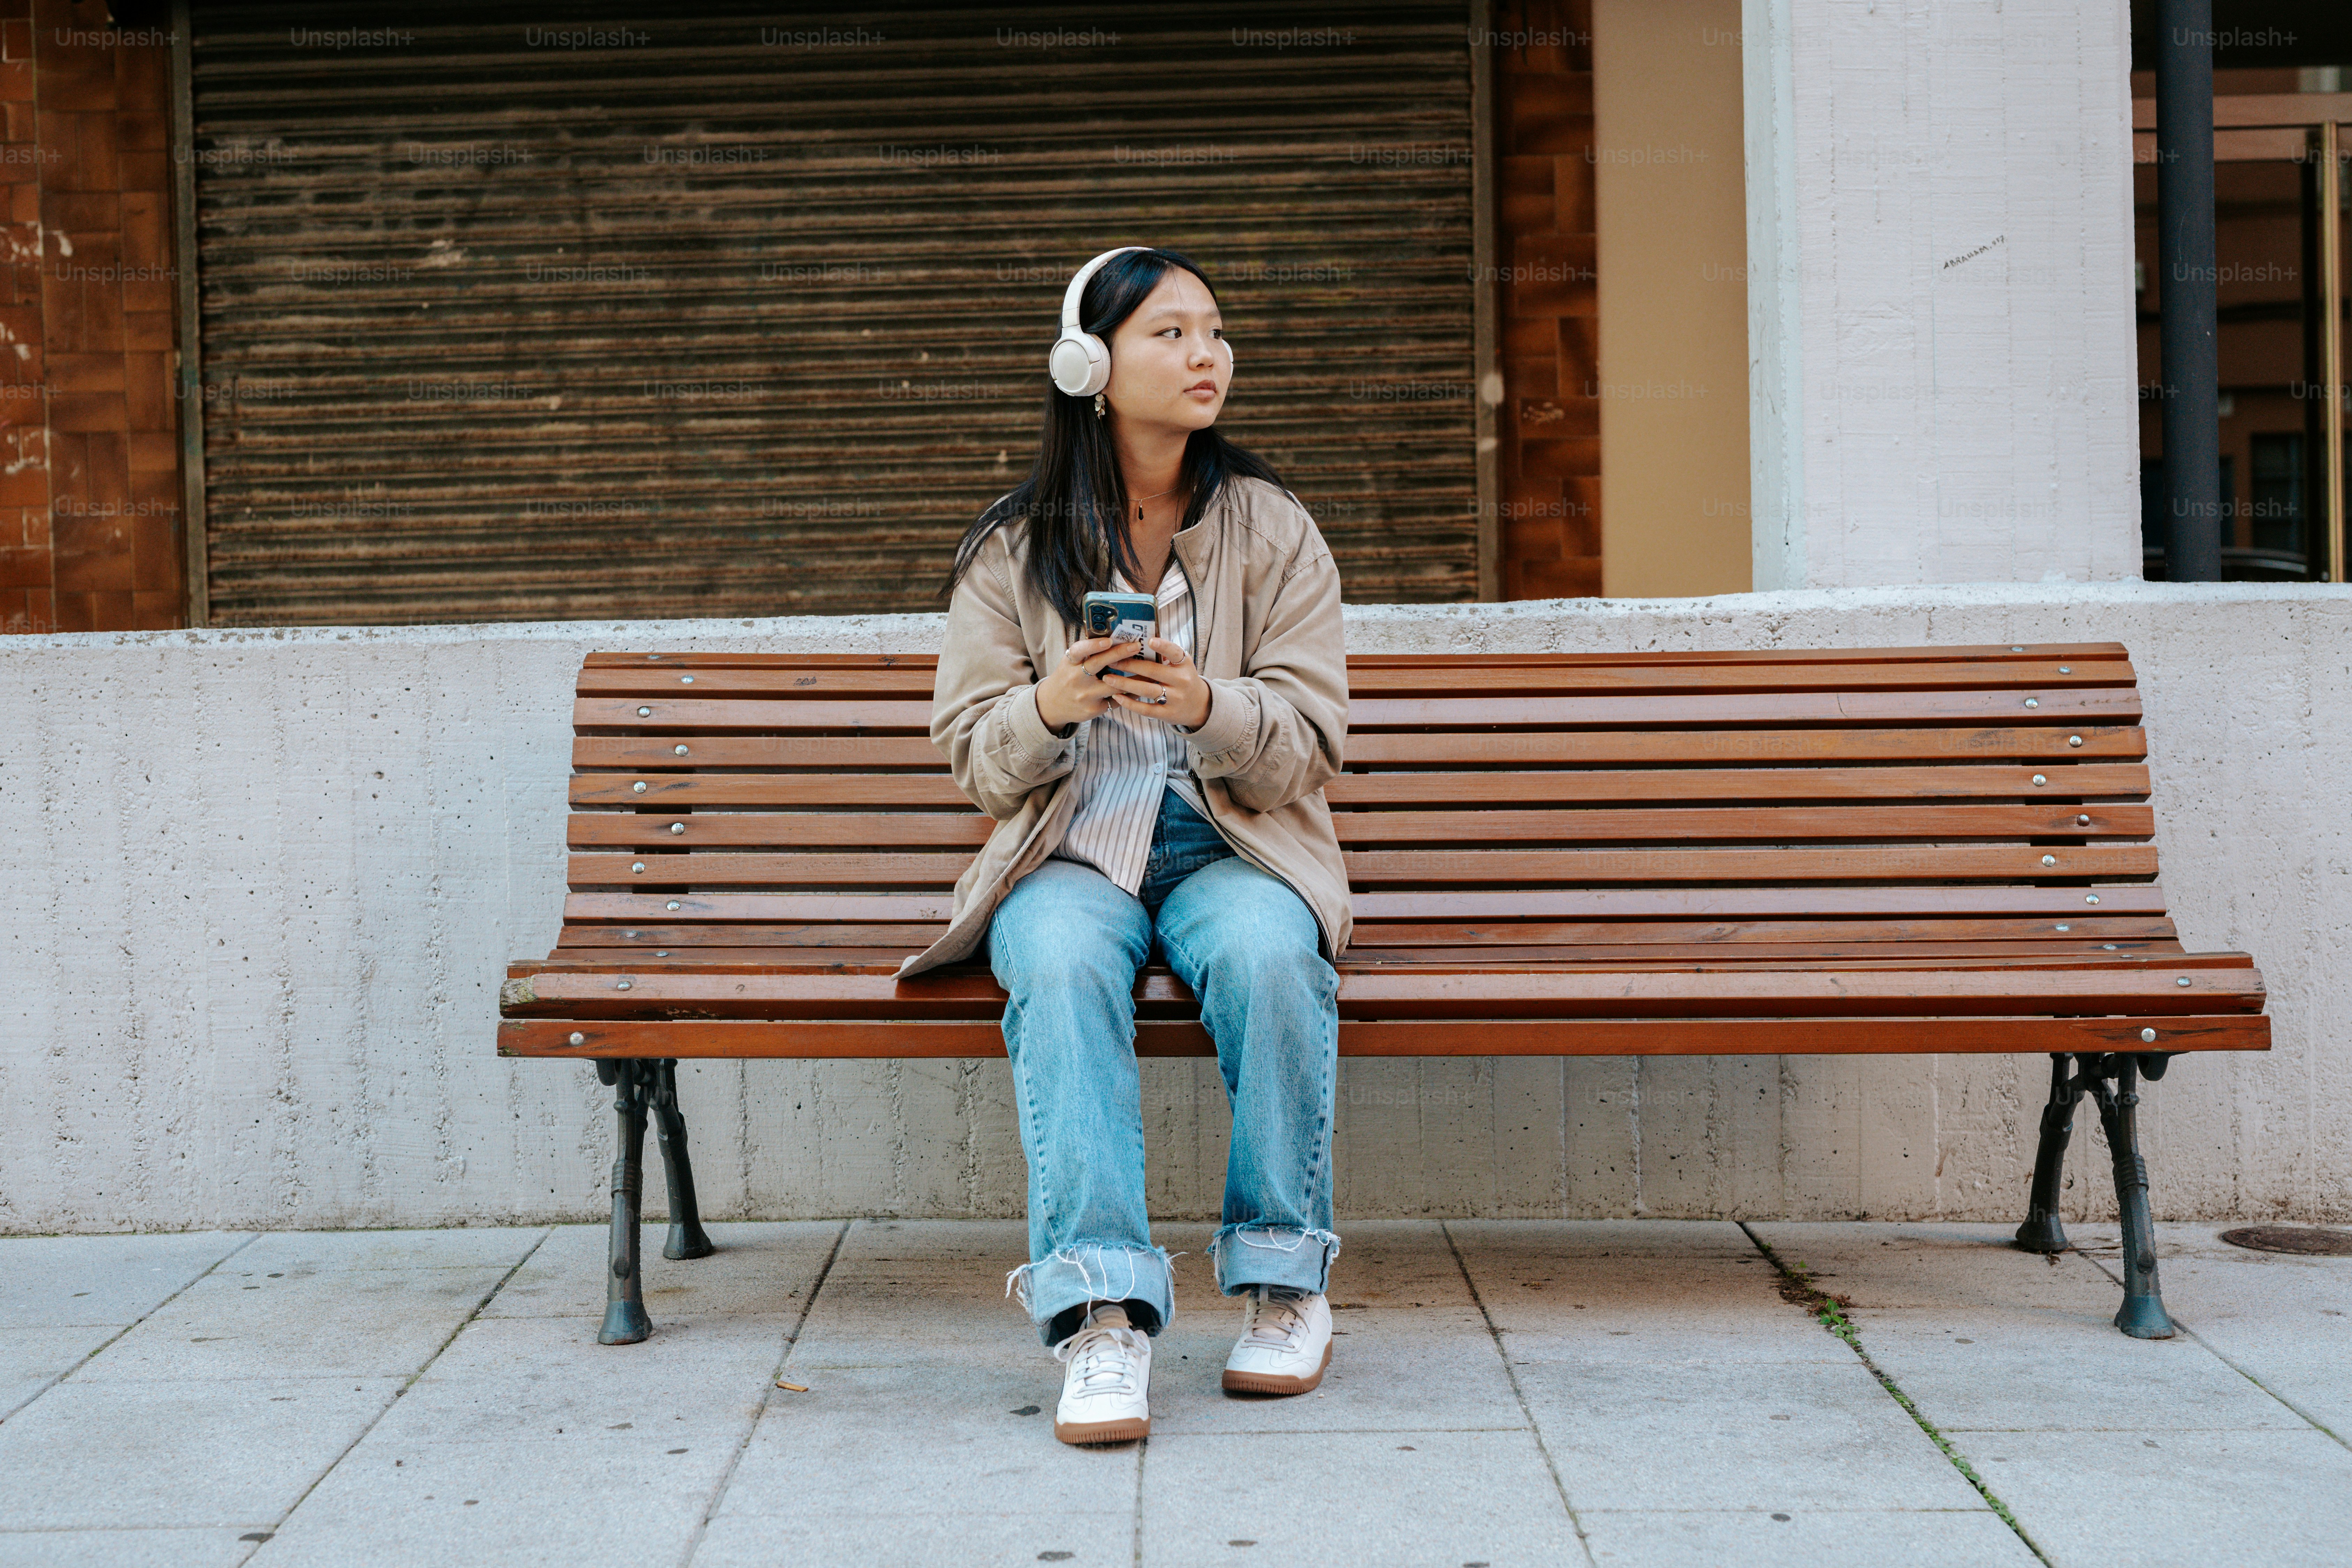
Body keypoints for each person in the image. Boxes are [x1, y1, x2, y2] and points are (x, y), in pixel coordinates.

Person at [899, 246, 1352, 1445]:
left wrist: (1207, 705)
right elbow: (971, 756)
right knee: (1053, 963)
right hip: (1069, 850)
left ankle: (1282, 1284)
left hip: (1230, 844)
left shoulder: (1274, 529)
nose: (1206, 355)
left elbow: (1310, 742)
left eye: (1214, 331)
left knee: (1268, 958)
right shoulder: (1013, 546)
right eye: (1172, 334)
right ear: (1088, 367)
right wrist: (1053, 703)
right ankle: (1103, 1315)